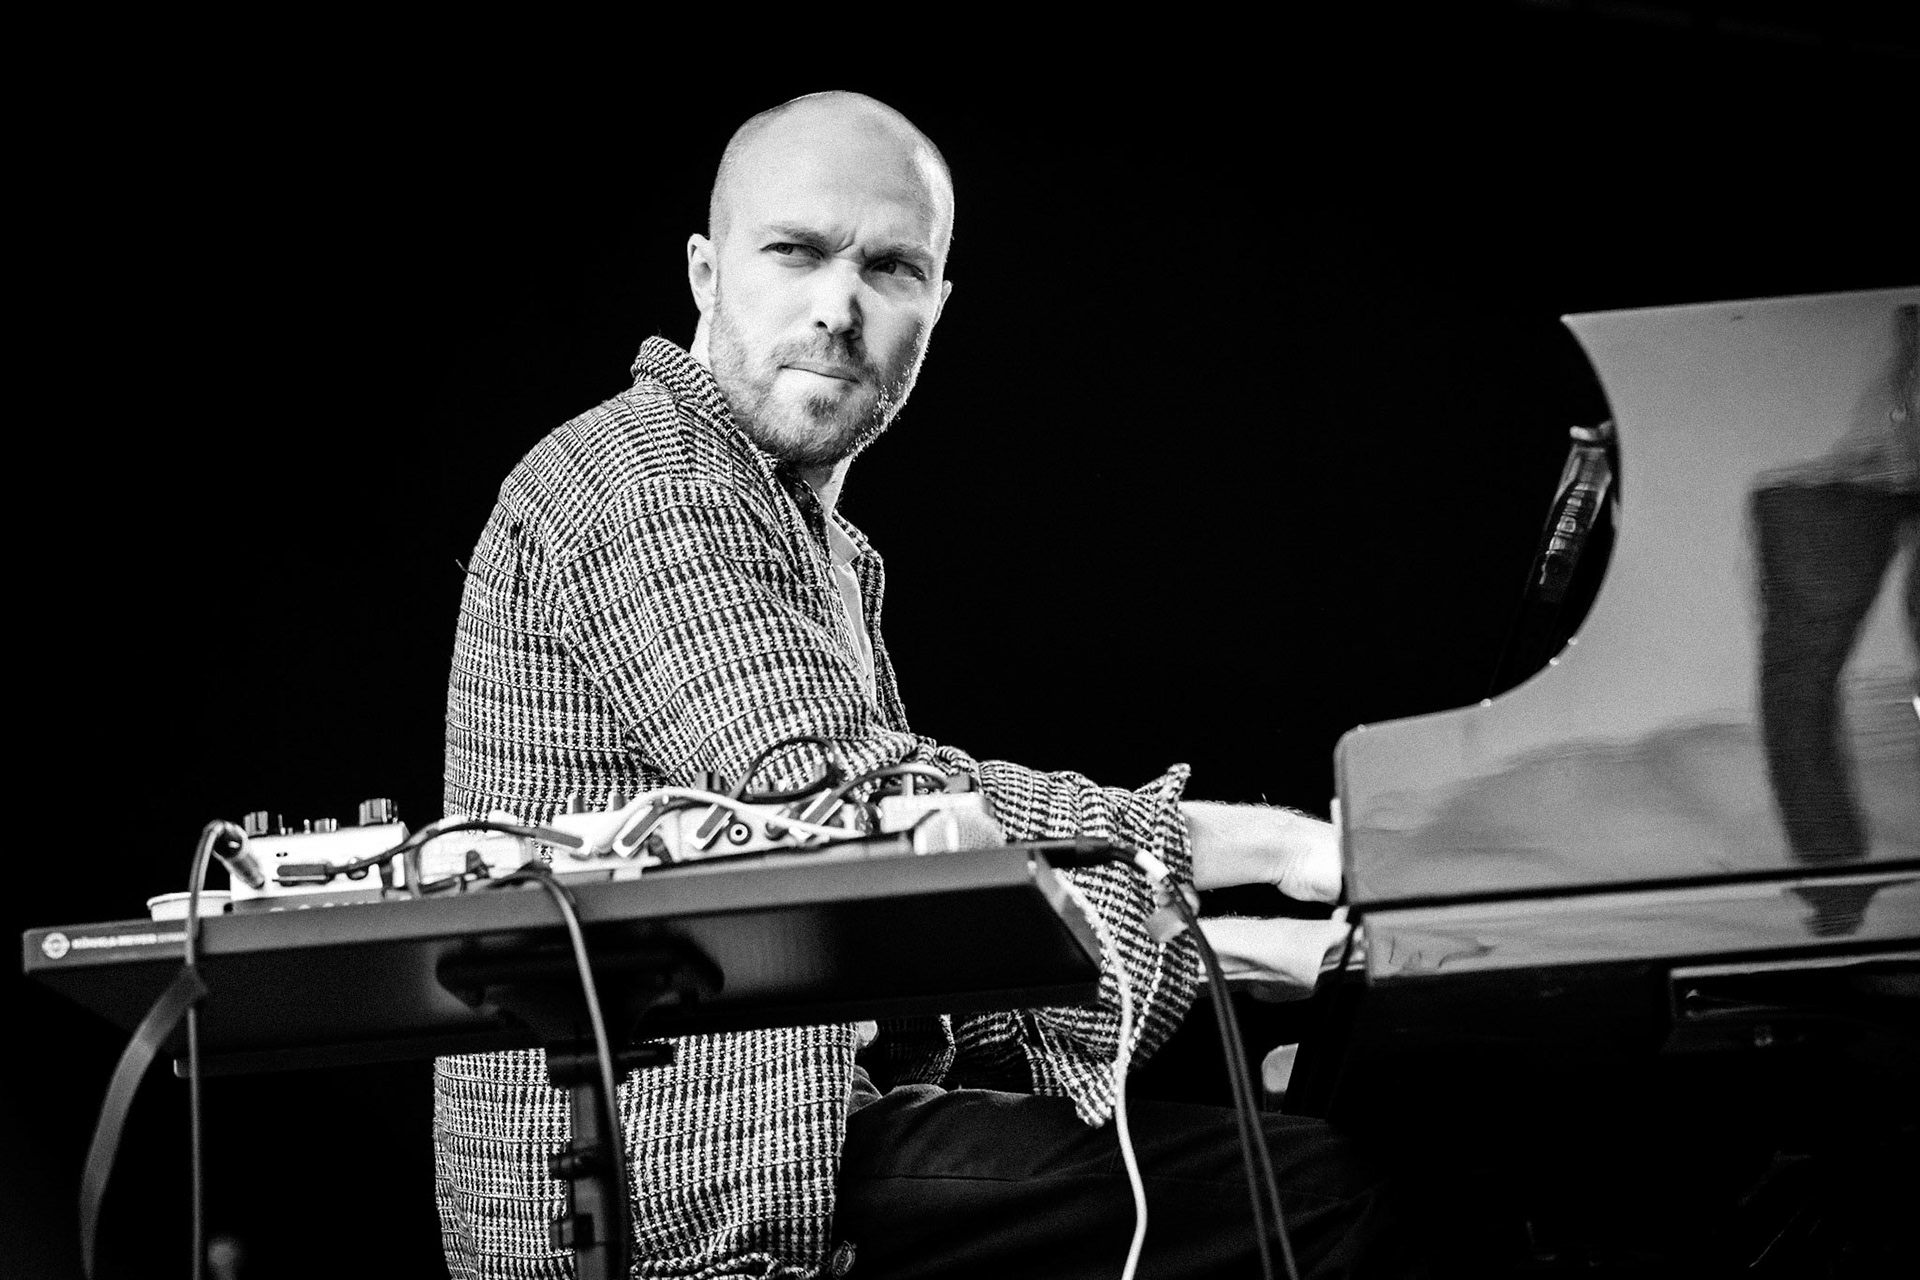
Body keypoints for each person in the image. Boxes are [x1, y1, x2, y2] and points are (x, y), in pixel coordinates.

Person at [436, 90, 1413, 1279]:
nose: (838, 306)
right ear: (705, 271)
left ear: (936, 309)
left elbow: (920, 935)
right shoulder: (642, 473)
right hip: (688, 1171)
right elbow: (849, 801)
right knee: (1314, 1191)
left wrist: (1250, 953)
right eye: (794, 251)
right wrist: (1278, 855)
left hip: (804, 1137)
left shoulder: (819, 545)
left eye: (891, 267)